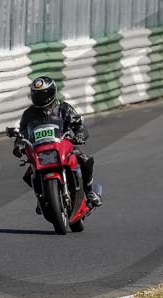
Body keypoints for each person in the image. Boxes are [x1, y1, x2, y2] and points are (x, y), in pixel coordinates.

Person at [14, 76, 102, 207]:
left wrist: (79, 135)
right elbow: (21, 133)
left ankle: (89, 192)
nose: (39, 98)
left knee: (86, 160)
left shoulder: (63, 107)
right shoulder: (28, 114)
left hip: (62, 145)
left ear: (50, 92)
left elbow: (80, 126)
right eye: (36, 94)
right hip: (39, 150)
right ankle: (43, 195)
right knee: (28, 176)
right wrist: (19, 145)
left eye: (42, 94)